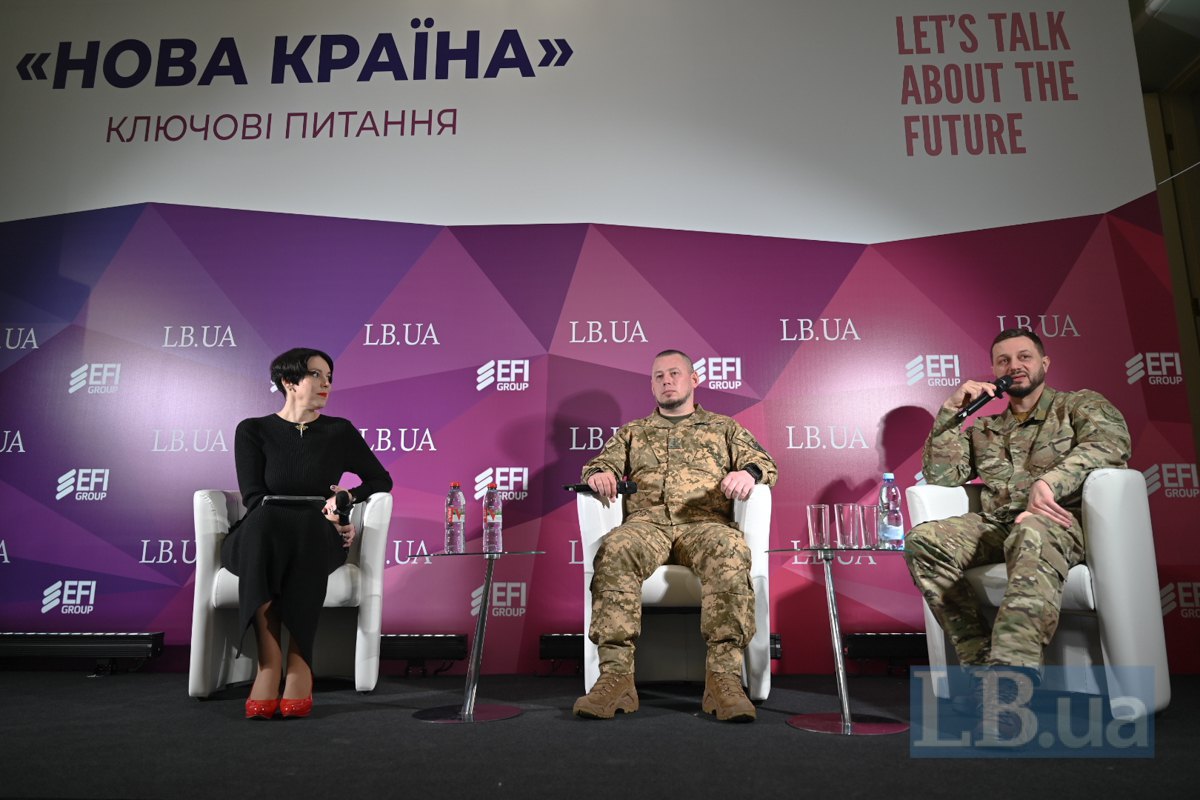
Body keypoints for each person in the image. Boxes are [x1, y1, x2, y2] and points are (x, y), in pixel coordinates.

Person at [903, 328, 1130, 735]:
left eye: (1024, 357)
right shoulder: (985, 429)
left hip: (1059, 523)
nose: (1014, 367)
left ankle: (1007, 697)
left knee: (1031, 535)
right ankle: (980, 670)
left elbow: (1112, 444)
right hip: (997, 524)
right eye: (1004, 361)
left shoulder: (1079, 405)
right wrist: (952, 413)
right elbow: (941, 474)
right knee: (924, 541)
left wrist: (1051, 483)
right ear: (994, 371)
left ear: (1044, 363)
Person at [573, 349, 778, 722]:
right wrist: (599, 474)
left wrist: (748, 473)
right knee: (615, 548)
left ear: (694, 380)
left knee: (730, 549)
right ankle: (615, 680)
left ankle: (724, 680)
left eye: (675, 373)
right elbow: (600, 464)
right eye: (658, 376)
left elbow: (764, 463)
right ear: (652, 385)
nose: (667, 381)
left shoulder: (724, 427)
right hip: (646, 526)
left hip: (703, 524)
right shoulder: (633, 432)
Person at [223, 347, 393, 720]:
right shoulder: (253, 430)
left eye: (329, 377)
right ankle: (269, 666)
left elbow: (381, 479)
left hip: (316, 533)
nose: (326, 383)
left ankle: (300, 664)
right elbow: (254, 498)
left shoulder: (339, 431)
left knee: (311, 528)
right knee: (266, 523)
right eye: (316, 375)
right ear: (288, 381)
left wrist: (346, 500)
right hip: (262, 532)